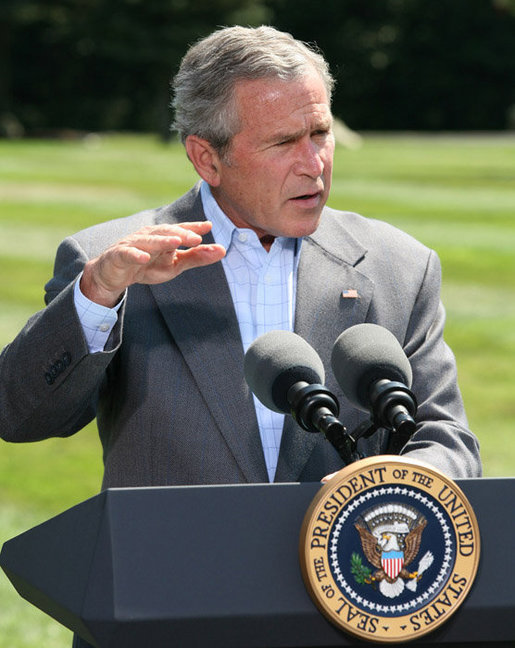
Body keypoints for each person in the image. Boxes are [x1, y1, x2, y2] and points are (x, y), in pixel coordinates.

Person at [0, 26, 481, 494]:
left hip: (344, 565)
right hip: (175, 574)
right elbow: (20, 415)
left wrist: (392, 487)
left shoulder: (400, 265)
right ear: (206, 159)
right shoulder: (109, 262)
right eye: (284, 142)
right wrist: (97, 295)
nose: (314, 163)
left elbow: (446, 439)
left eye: (319, 133)